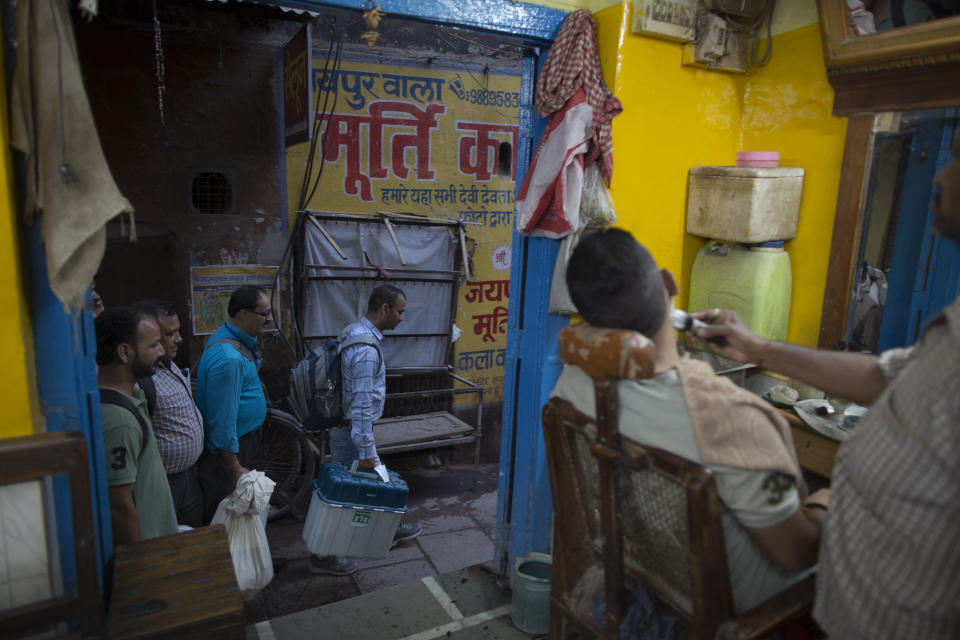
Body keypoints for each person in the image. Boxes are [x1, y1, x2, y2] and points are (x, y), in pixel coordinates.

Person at [692, 128, 960, 639]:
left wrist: (826, 503)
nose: (942, 177)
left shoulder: (741, 421)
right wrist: (761, 349)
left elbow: (794, 550)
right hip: (850, 608)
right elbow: (884, 374)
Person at [552, 228, 828, 614]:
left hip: (646, 572)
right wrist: (828, 505)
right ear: (669, 283)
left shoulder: (572, 385)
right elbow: (797, 554)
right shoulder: (730, 419)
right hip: (747, 612)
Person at [309, 284, 423, 576]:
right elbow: (359, 405)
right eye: (400, 312)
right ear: (385, 309)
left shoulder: (353, 331)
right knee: (342, 495)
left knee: (380, 480)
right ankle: (323, 555)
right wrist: (367, 450)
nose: (401, 318)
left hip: (350, 430)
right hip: (352, 433)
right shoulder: (365, 351)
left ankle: (391, 527)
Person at [95, 306, 178, 544]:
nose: (162, 351)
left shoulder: (129, 401)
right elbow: (119, 508)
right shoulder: (119, 422)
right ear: (124, 352)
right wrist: (140, 566)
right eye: (153, 345)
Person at [196, 285, 271, 523]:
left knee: (244, 513)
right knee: (229, 516)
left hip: (244, 441)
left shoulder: (231, 338)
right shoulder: (228, 359)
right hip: (231, 451)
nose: (269, 319)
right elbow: (223, 419)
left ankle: (250, 557)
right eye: (264, 313)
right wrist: (235, 466)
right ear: (243, 314)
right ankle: (233, 560)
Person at [134, 300, 205, 528]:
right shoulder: (139, 382)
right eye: (170, 333)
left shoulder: (169, 365)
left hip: (188, 478)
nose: (179, 339)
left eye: (178, 331)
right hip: (162, 484)